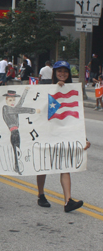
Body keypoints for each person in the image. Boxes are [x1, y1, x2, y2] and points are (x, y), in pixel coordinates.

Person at [36, 61, 91, 212]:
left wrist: (83, 138)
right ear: (54, 73)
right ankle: (41, 195)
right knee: (43, 165)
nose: (62, 74)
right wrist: (55, 88)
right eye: (59, 71)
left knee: (65, 165)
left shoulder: (73, 92)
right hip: (46, 131)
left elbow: (76, 118)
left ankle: (68, 201)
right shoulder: (45, 88)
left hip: (63, 133)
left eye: (65, 71)